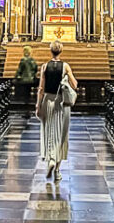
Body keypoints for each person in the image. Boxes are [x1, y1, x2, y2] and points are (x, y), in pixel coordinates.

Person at [36, 40, 78, 182]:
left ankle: (50, 160)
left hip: (47, 100)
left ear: (50, 51)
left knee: (49, 131)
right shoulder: (65, 66)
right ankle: (57, 169)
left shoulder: (44, 66)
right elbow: (75, 84)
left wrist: (38, 106)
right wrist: (66, 79)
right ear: (61, 51)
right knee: (61, 134)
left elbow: (40, 88)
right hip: (61, 102)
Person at [15, 45, 38, 114]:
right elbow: (35, 69)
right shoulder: (32, 60)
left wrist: (17, 76)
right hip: (31, 80)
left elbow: (20, 70)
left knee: (26, 95)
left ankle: (26, 108)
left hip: (24, 80)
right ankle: (31, 107)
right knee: (29, 93)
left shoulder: (23, 60)